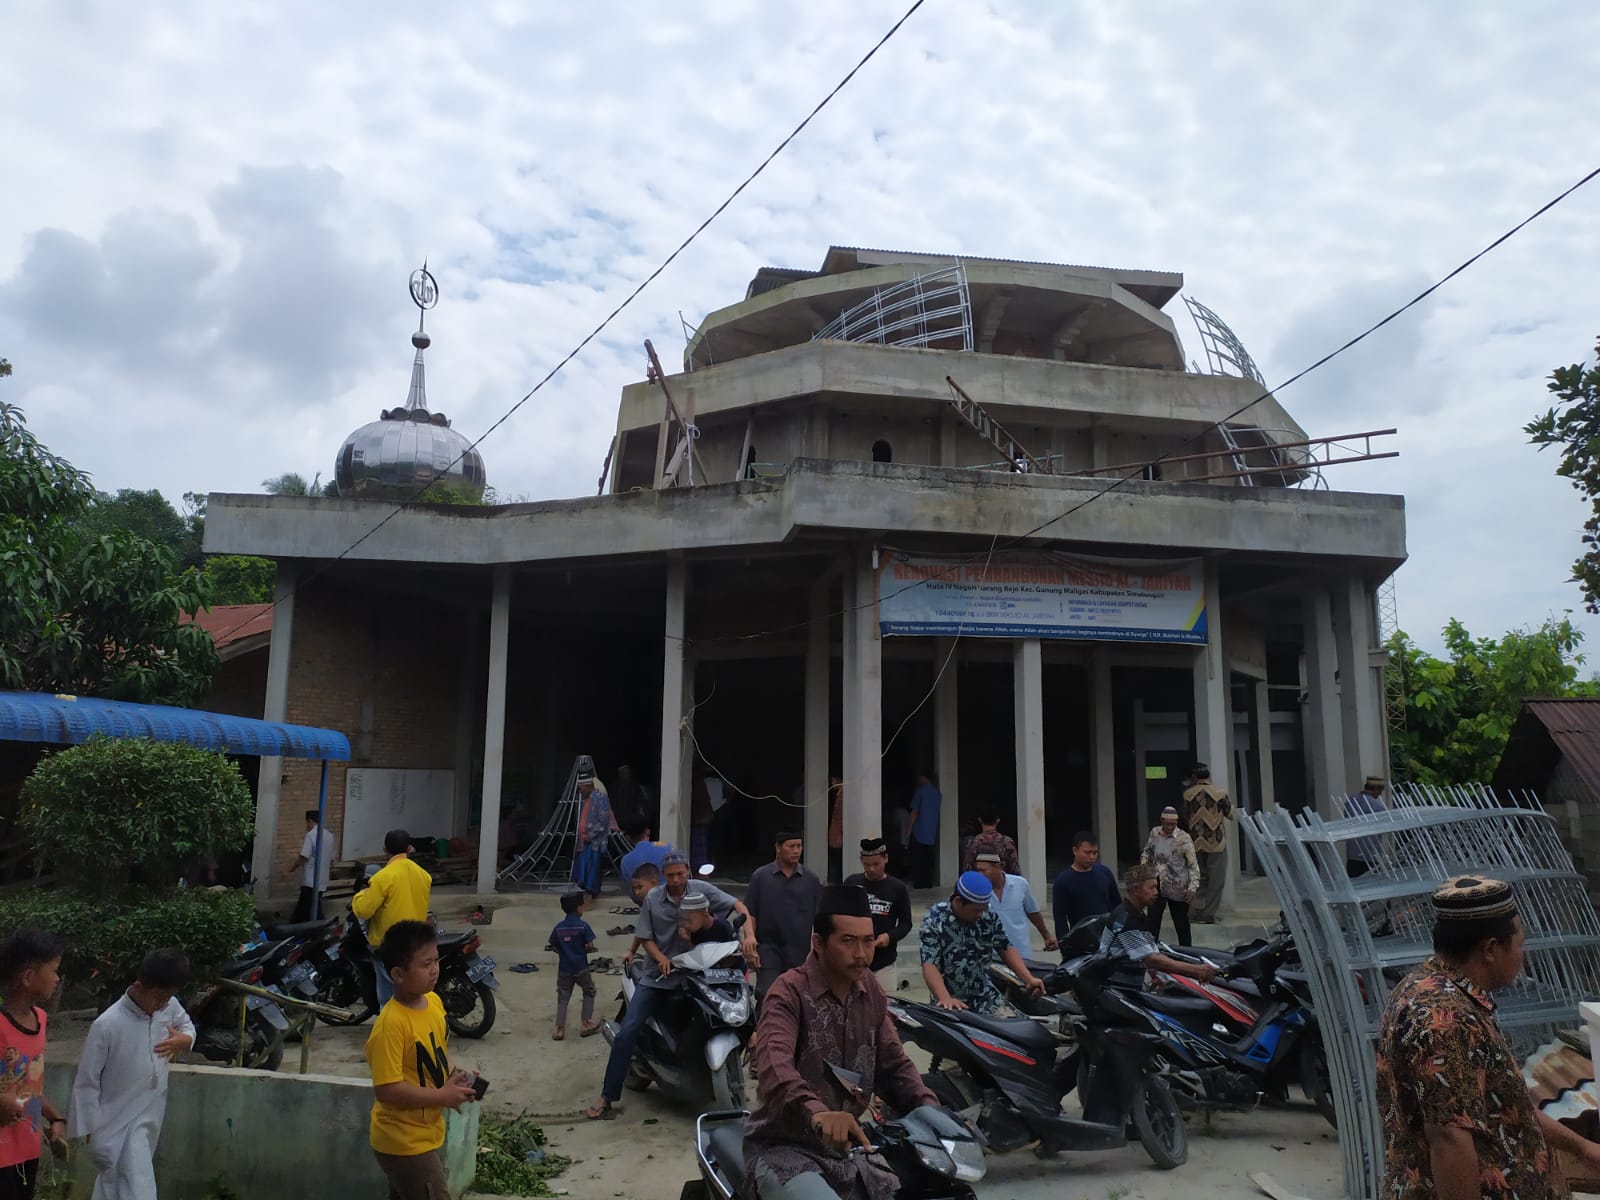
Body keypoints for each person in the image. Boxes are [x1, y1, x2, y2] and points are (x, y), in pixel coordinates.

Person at [1376, 875, 1600, 1200]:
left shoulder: (1423, 986)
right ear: (1491, 949)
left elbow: (1508, 1105)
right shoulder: (1446, 1020)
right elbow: (1450, 1141)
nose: (1522, 958)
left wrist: (1582, 1148)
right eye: (1519, 945)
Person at [743, 884, 939, 1199]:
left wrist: (931, 1110)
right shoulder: (788, 992)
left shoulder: (870, 989)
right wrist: (818, 1113)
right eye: (848, 942)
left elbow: (893, 1061)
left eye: (868, 941)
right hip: (785, 1150)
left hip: (854, 1149)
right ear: (819, 943)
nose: (861, 954)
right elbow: (774, 1066)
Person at [588, 852, 759, 1119]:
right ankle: (607, 1096)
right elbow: (645, 936)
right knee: (628, 1031)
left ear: (688, 871)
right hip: (659, 976)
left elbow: (738, 906)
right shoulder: (653, 899)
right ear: (663, 876)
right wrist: (661, 959)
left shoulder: (700, 891)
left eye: (681, 874)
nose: (677, 880)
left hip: (698, 975)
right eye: (671, 876)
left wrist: (749, 935)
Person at [365, 921, 479, 1200]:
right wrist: (442, 1096)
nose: (435, 969)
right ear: (398, 974)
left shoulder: (433, 1003)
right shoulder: (390, 1024)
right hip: (403, 1141)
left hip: (426, 1133)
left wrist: (458, 1076)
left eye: (436, 960)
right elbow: (387, 1089)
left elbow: (438, 1053)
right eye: (425, 964)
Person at [69, 949, 196, 1200]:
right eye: (158, 998)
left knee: (114, 1184)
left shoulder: (168, 1006)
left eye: (167, 998)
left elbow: (187, 1025)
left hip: (151, 1109)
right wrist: (88, 1126)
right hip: (114, 1119)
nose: (161, 1005)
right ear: (139, 986)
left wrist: (184, 1039)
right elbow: (87, 1080)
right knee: (137, 1183)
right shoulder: (107, 1024)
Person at [0, 931, 67, 1200]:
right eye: (53, 970)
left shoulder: (40, 1020)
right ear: (28, 978)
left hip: (27, 1149)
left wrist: (55, 1117)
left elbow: (28, 1085)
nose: (57, 978)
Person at [919, 871, 1044, 1013]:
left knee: (1012, 1028)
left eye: (983, 909)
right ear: (959, 902)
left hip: (984, 995)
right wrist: (945, 998)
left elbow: (1005, 947)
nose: (980, 915)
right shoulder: (935, 919)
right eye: (976, 910)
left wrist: (1028, 979)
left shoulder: (988, 914)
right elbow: (929, 965)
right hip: (949, 999)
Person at [352, 829, 434, 1009]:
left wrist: (360, 895)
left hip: (389, 945)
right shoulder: (423, 875)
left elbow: (363, 911)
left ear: (385, 848)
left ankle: (391, 1033)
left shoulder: (383, 877)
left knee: (389, 1000)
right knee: (412, 995)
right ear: (409, 848)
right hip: (415, 944)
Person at [1099, 866, 1217, 984]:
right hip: (1119, 979)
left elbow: (1153, 951)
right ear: (1136, 889)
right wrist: (1195, 970)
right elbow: (1151, 960)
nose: (1156, 893)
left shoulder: (1137, 913)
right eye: (1151, 888)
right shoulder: (1125, 919)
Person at [745, 833, 823, 997]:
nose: (796, 851)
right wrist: (750, 942)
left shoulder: (811, 879)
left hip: (800, 954)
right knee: (769, 996)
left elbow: (821, 918)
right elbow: (750, 913)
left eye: (799, 846)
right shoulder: (761, 876)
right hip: (768, 951)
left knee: (798, 999)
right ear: (778, 847)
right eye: (791, 846)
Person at [844, 838, 913, 994]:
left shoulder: (898, 888)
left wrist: (889, 937)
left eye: (876, 864)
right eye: (867, 865)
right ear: (861, 861)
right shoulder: (851, 883)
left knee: (886, 1009)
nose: (872, 869)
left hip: (884, 962)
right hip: (854, 960)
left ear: (885, 859)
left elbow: (906, 923)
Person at [972, 852, 1057, 955]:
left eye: (984, 870)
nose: (980, 875)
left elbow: (1033, 912)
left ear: (998, 867)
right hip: (990, 956)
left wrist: (1046, 936)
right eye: (978, 870)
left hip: (1021, 952)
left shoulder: (1021, 884)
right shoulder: (976, 890)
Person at [1181, 763, 1234, 923]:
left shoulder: (1188, 794)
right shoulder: (1219, 793)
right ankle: (1209, 914)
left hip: (1196, 843)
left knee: (1199, 880)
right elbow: (1231, 814)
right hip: (1216, 844)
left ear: (1194, 777)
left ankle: (1194, 913)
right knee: (1216, 881)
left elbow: (1185, 815)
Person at [1141, 807, 1199, 947]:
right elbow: (1147, 853)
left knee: (1181, 924)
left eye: (1172, 824)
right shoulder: (1155, 833)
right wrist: (1145, 871)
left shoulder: (1184, 838)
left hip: (1178, 886)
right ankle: (1151, 952)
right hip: (1157, 883)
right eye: (1167, 824)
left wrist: (1193, 886)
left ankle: (1187, 953)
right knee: (1152, 922)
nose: (1169, 827)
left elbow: (1193, 865)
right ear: (1162, 821)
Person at [1051, 831, 1121, 943]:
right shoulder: (1063, 880)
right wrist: (1064, 944)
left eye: (1095, 853)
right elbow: (1060, 917)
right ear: (1075, 850)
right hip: (1081, 939)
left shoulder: (1104, 873)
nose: (1092, 857)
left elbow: (1117, 905)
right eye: (1087, 853)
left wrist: (1119, 930)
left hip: (1108, 938)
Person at [549, 892, 600, 1041]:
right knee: (589, 990)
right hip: (581, 967)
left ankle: (559, 1029)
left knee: (563, 997)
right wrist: (588, 950)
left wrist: (563, 951)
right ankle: (586, 1023)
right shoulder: (583, 926)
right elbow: (590, 945)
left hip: (564, 968)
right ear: (579, 908)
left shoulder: (559, 927)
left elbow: (553, 945)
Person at [575, 765, 616, 898]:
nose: (579, 791)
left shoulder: (600, 798)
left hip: (595, 841)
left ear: (587, 786)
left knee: (592, 869)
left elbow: (603, 822)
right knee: (584, 869)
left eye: (581, 788)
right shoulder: (587, 799)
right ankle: (588, 893)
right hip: (585, 840)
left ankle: (592, 894)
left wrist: (590, 835)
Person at [289, 808, 337, 922]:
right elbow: (332, 859)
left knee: (305, 907)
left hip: (310, 880)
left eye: (306, 823)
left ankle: (300, 928)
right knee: (312, 905)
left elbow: (304, 856)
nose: (306, 826)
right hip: (322, 880)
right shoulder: (330, 836)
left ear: (310, 821)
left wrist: (293, 868)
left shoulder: (311, 835)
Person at [677, 891, 741, 960]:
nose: (686, 925)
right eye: (684, 920)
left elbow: (735, 949)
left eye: (689, 921)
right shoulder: (693, 932)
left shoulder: (722, 926)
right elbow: (693, 956)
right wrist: (687, 941)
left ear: (704, 914)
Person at [1345, 775, 1388, 877]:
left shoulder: (1350, 801)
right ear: (1376, 789)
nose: (1381, 793)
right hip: (1370, 855)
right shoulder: (1378, 806)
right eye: (1381, 790)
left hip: (1352, 854)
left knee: (1355, 884)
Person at [907, 770, 941, 889]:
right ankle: (927, 882)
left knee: (917, 859)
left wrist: (909, 829)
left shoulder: (920, 792)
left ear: (924, 777)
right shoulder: (937, 793)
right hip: (931, 832)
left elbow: (914, 812)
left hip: (919, 831)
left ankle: (919, 883)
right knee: (927, 859)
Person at [609, 765, 652, 838]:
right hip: (616, 822)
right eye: (624, 772)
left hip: (630, 824)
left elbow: (639, 805)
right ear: (620, 774)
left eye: (628, 773)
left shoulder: (635, 787)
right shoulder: (613, 788)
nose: (627, 775)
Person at [826, 784, 844, 885]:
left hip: (839, 837)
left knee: (836, 864)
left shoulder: (842, 795)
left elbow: (839, 817)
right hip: (835, 836)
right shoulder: (838, 794)